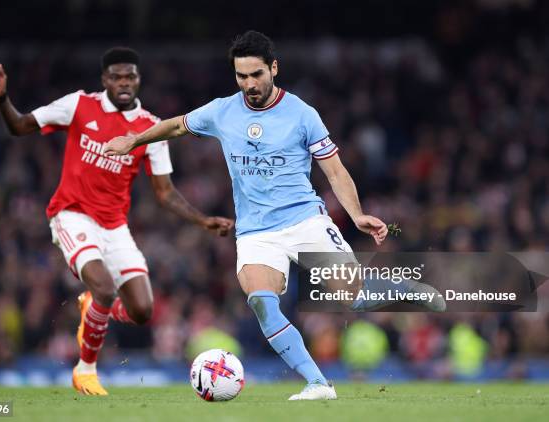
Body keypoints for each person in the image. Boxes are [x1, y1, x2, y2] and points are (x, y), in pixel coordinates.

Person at [104, 32, 443, 400]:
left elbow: (335, 170)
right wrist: (133, 140)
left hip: (305, 221)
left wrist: (357, 214)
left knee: (354, 297)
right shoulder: (222, 111)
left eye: (256, 75)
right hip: (255, 233)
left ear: (274, 68)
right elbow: (176, 124)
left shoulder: (302, 114)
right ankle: (317, 383)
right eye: (241, 76)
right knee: (261, 302)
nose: (249, 84)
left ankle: (407, 291)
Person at [0, 47, 233, 396]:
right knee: (102, 285)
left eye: (130, 75)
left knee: (143, 310)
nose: (124, 82)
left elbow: (165, 192)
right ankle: (85, 369)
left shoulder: (150, 128)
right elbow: (21, 125)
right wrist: (2, 99)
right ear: (105, 80)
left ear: (138, 79)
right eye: (116, 76)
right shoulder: (79, 105)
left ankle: (96, 308)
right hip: (71, 215)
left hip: (115, 227)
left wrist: (203, 220)